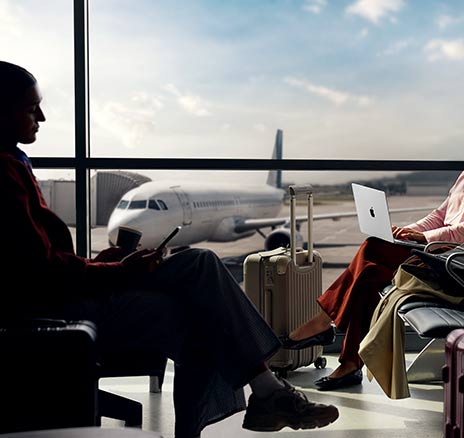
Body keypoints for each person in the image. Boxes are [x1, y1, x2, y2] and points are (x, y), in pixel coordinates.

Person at [0, 60, 339, 438]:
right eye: (32, 109)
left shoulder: (14, 162)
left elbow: (34, 260)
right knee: (199, 294)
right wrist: (118, 271)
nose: (42, 117)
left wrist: (103, 263)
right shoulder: (2, 171)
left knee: (198, 278)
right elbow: (40, 271)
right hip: (52, 311)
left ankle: (265, 394)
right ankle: (265, 392)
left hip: (59, 296)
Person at [282, 93, 464, 390]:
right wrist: (407, 232)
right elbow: (442, 214)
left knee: (372, 248)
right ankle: (347, 362)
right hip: (442, 250)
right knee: (370, 271)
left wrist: (424, 238)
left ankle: (324, 324)